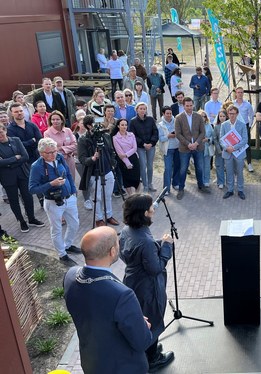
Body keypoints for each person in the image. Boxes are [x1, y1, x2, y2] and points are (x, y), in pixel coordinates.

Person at [64, 226, 153, 374]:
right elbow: (142, 341)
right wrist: (140, 323)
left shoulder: (70, 275)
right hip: (123, 368)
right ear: (112, 251)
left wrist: (129, 317)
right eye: (117, 243)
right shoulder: (122, 295)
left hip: (91, 362)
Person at [119, 194, 175, 371]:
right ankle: (152, 358)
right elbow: (155, 268)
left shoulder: (126, 230)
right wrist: (166, 246)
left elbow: (127, 253)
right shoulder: (145, 241)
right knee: (153, 319)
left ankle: (147, 350)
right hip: (148, 288)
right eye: (151, 208)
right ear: (144, 213)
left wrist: (156, 245)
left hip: (131, 282)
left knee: (141, 317)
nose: (153, 210)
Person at [29, 138, 79, 264]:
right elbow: (32, 189)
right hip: (53, 202)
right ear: (41, 153)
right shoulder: (36, 166)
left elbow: (67, 173)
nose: (52, 155)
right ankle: (62, 254)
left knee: (74, 224)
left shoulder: (60, 157)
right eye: (49, 153)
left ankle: (67, 245)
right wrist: (51, 183)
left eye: (54, 151)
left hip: (69, 198)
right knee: (56, 229)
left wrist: (73, 191)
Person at [0, 123, 44, 233]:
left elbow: (25, 156)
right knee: (14, 200)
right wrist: (15, 158)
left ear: (5, 130)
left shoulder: (16, 140)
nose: (0, 135)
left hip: (23, 173)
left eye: (0, 132)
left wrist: (8, 163)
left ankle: (31, 219)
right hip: (7, 178)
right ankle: (21, 221)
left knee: (28, 197)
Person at [77, 115, 120, 227]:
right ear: (88, 126)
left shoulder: (105, 136)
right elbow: (82, 159)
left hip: (108, 170)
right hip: (94, 173)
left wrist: (113, 164)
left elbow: (111, 151)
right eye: (95, 124)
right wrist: (93, 158)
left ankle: (109, 216)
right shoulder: (83, 140)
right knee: (97, 198)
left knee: (108, 195)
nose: (99, 126)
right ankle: (98, 218)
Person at [175, 97, 208, 199]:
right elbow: (178, 134)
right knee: (183, 169)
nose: (189, 107)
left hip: (198, 147)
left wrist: (196, 143)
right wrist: (188, 144)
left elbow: (203, 132)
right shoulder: (179, 118)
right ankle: (181, 188)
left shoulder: (198, 116)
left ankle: (201, 186)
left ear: (193, 105)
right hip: (185, 148)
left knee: (199, 167)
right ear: (183, 106)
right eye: (187, 106)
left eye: (190, 105)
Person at [220, 105, 248, 200]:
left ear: (237, 114)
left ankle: (240, 190)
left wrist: (234, 148)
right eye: (230, 113)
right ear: (228, 114)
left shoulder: (242, 124)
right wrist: (227, 148)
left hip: (239, 153)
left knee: (239, 172)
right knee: (229, 172)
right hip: (228, 153)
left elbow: (245, 140)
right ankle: (230, 190)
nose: (232, 115)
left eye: (234, 113)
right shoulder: (224, 125)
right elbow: (221, 139)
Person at [129, 102, 158, 192]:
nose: (142, 110)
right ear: (137, 110)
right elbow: (133, 135)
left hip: (151, 146)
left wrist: (151, 143)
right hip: (140, 147)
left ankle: (150, 183)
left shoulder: (151, 119)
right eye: (140, 108)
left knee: (150, 166)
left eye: (144, 108)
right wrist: (143, 144)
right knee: (142, 165)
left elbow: (155, 132)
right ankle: (145, 185)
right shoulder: (133, 121)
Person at [44, 111, 77, 180]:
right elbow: (50, 150)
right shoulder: (47, 133)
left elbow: (75, 145)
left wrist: (61, 148)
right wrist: (67, 150)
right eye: (53, 119)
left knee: (71, 180)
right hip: (57, 162)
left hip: (69, 160)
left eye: (57, 119)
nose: (55, 121)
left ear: (62, 120)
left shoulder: (68, 130)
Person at [113, 118, 140, 196]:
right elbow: (119, 153)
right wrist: (127, 163)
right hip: (124, 161)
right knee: (127, 179)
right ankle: (131, 196)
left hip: (134, 158)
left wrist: (126, 154)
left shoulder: (131, 135)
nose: (124, 127)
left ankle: (137, 196)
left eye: (125, 125)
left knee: (136, 178)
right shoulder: (115, 138)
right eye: (122, 125)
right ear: (118, 126)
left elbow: (134, 148)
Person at [157, 106, 180, 192]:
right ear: (163, 114)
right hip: (168, 149)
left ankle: (175, 183)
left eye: (170, 113)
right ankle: (166, 188)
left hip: (177, 147)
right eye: (167, 113)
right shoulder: (160, 125)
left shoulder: (176, 121)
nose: (169, 115)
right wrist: (168, 136)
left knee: (177, 166)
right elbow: (161, 139)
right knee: (168, 168)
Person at [233, 87, 255, 172]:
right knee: (235, 143)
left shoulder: (247, 104)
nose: (240, 94)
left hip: (245, 126)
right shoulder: (232, 104)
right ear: (236, 93)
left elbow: (251, 116)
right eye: (238, 92)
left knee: (247, 144)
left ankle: (249, 163)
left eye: (241, 92)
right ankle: (236, 162)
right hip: (235, 126)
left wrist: (249, 125)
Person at [199, 110, 214, 187]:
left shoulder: (209, 125)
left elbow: (213, 136)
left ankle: (206, 181)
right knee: (199, 166)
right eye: (201, 116)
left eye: (204, 116)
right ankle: (200, 181)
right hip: (198, 150)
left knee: (207, 166)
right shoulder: (195, 125)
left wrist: (208, 139)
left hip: (207, 149)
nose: (202, 118)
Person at [213, 110, 227, 189]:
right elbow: (215, 139)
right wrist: (219, 150)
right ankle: (220, 182)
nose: (222, 118)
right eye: (220, 116)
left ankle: (228, 181)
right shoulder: (216, 126)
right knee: (219, 166)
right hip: (219, 151)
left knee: (228, 167)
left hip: (228, 150)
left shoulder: (229, 126)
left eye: (223, 116)